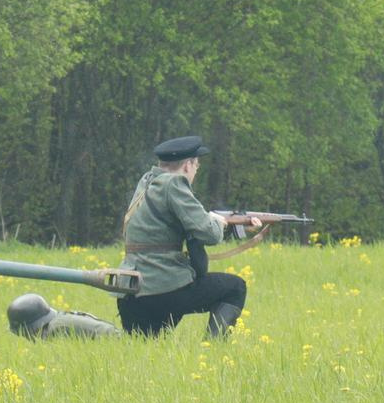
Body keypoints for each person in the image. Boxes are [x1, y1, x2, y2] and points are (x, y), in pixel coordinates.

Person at [115, 135, 270, 337]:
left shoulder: (148, 182)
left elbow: (176, 228)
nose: (196, 171)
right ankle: (214, 349)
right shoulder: (174, 183)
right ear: (188, 165)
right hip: (161, 288)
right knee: (235, 287)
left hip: (131, 291)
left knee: (146, 348)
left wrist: (236, 227)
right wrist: (216, 222)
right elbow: (210, 233)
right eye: (196, 166)